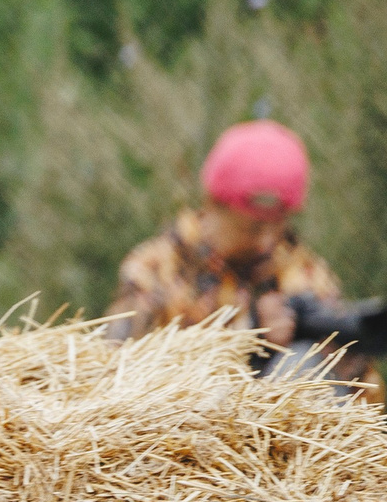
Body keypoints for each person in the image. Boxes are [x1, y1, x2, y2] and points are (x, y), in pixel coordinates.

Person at [104, 119, 372, 388]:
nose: (266, 242)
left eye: (279, 225)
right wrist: (249, 339)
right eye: (252, 227)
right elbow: (114, 380)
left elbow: (365, 403)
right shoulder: (155, 272)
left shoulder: (306, 275)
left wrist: (331, 349)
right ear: (212, 204)